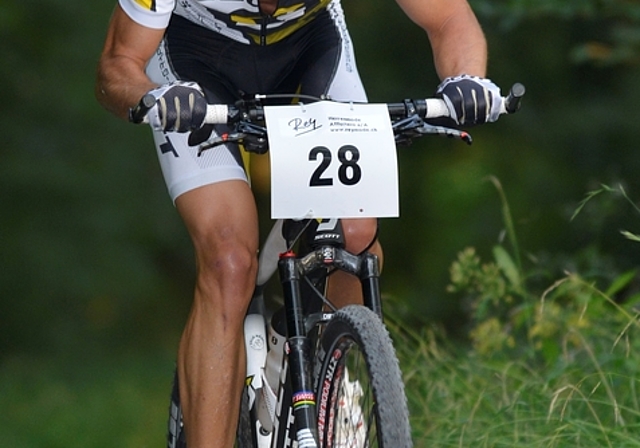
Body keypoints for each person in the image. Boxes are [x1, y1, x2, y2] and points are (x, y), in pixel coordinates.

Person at [95, 0, 503, 446]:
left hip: (310, 48)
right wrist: (149, 96)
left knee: (356, 234)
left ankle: (331, 387)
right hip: (194, 65)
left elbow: (448, 17)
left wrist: (466, 79)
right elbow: (118, 65)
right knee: (229, 261)